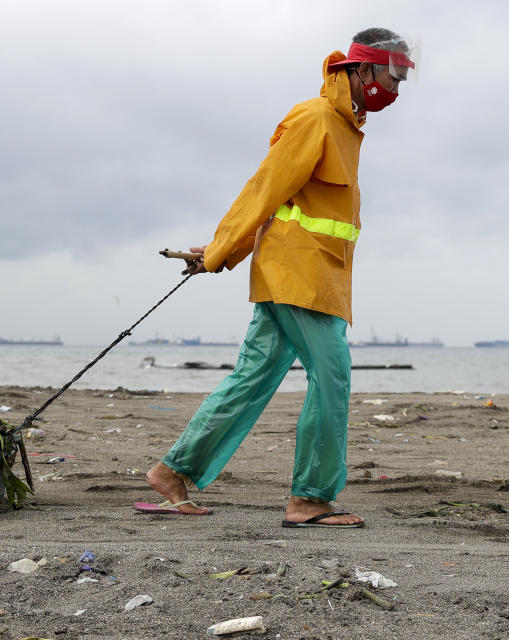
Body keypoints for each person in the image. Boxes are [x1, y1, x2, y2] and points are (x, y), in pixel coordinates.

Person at [140, 28, 417, 528]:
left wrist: (226, 249)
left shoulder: (347, 128)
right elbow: (264, 191)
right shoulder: (315, 119)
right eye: (391, 75)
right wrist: (221, 250)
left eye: (402, 78)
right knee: (331, 377)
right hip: (301, 277)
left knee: (252, 379)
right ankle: (309, 498)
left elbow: (287, 209)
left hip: (307, 274)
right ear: (361, 69)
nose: (395, 88)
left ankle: (173, 472)